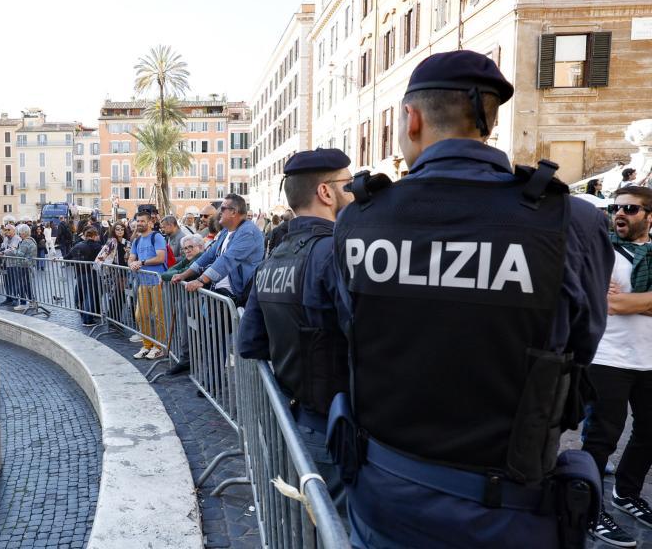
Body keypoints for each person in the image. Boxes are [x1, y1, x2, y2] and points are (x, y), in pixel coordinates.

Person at [328, 50, 612, 548]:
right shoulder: (570, 219)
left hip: (385, 497)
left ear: (412, 119)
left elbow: (352, 327)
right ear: (489, 120)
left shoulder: (359, 219)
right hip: (508, 515)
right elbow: (581, 345)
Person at [238, 148, 355, 514]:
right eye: (349, 184)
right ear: (326, 192)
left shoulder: (274, 257)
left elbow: (249, 342)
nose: (355, 192)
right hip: (336, 428)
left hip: (293, 420)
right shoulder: (336, 252)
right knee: (335, 528)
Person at [579, 185, 652, 547]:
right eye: (615, 207)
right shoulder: (602, 252)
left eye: (630, 209)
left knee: (650, 431)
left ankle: (626, 493)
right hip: (607, 357)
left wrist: (627, 301)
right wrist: (639, 302)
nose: (619, 213)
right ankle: (589, 509)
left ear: (649, 217)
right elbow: (604, 303)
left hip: (648, 359)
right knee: (602, 437)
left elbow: (620, 302)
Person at [173, 194, 265, 306]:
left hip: (237, 297)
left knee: (187, 308)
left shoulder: (248, 232)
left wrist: (200, 280)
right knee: (184, 308)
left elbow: (227, 260)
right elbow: (208, 255)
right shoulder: (226, 231)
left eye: (223, 208)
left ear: (233, 212)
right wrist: (184, 275)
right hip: (219, 292)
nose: (219, 212)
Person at [128, 211, 168, 359]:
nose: (139, 223)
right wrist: (132, 264)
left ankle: (159, 347)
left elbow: (161, 258)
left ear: (150, 222)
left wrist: (141, 262)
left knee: (159, 316)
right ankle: (147, 345)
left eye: (142, 221)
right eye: (138, 221)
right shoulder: (137, 240)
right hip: (143, 282)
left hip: (157, 282)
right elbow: (131, 258)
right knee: (141, 315)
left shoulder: (157, 237)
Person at [67, 227, 104, 325]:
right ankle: (88, 320)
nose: (98, 237)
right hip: (91, 274)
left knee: (83, 296)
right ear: (94, 236)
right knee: (90, 296)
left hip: (79, 274)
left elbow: (68, 256)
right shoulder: (97, 246)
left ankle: (84, 315)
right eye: (97, 235)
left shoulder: (78, 245)